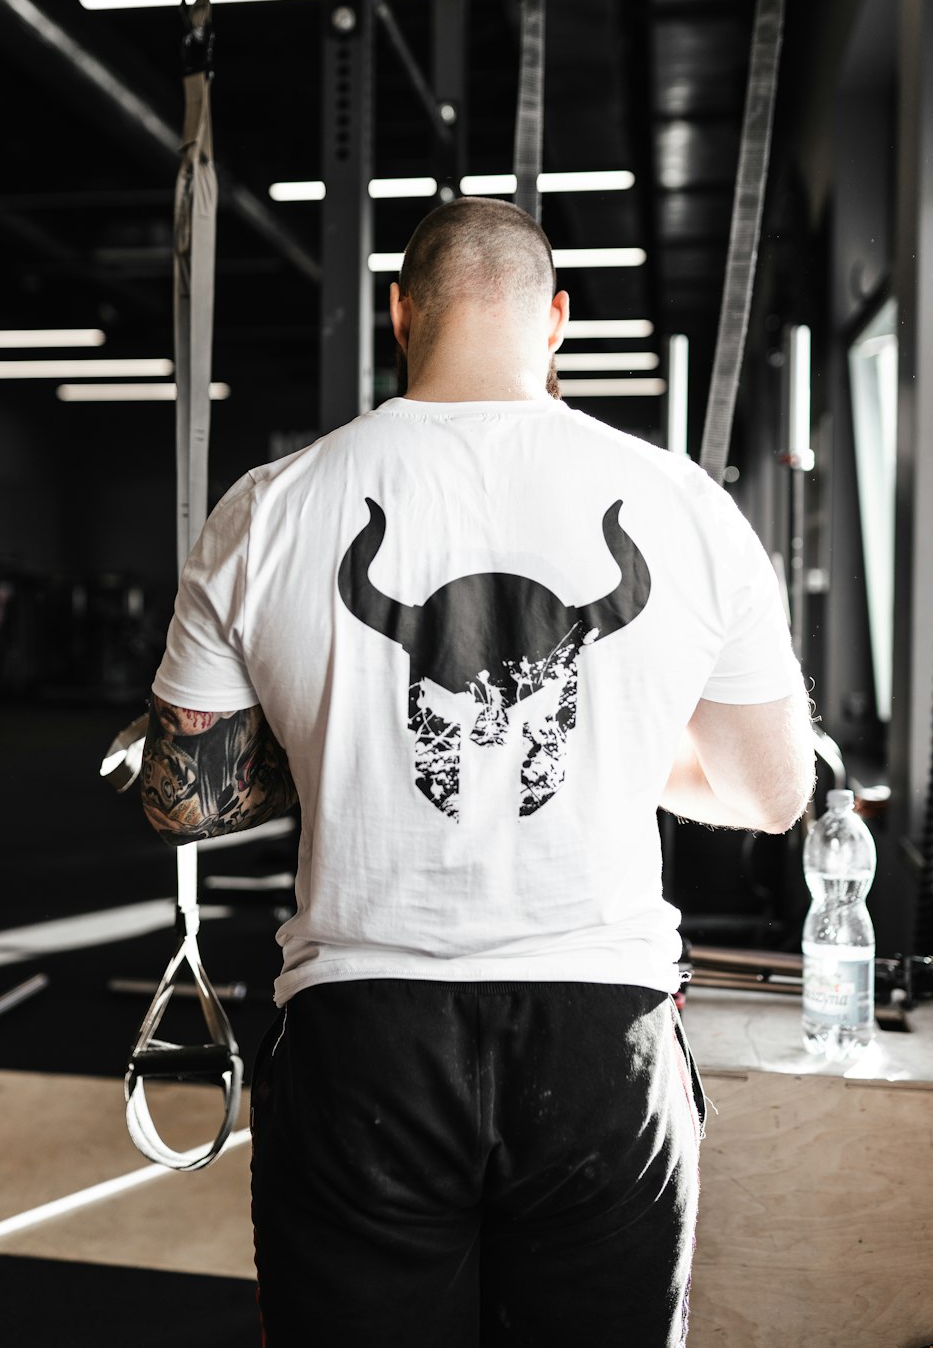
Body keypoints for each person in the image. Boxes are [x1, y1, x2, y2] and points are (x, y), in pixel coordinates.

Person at [141, 197, 816, 1348]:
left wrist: (334, 751)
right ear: (555, 319)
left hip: (363, 1036)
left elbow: (184, 798)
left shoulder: (270, 506)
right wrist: (608, 742)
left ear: (399, 313)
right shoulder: (690, 508)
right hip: (603, 1039)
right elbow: (770, 795)